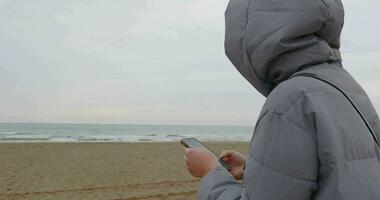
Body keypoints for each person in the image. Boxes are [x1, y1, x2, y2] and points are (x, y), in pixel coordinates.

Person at [184, 0, 380, 199]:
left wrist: (211, 173)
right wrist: (251, 168)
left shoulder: (290, 99)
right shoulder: (346, 85)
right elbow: (338, 172)